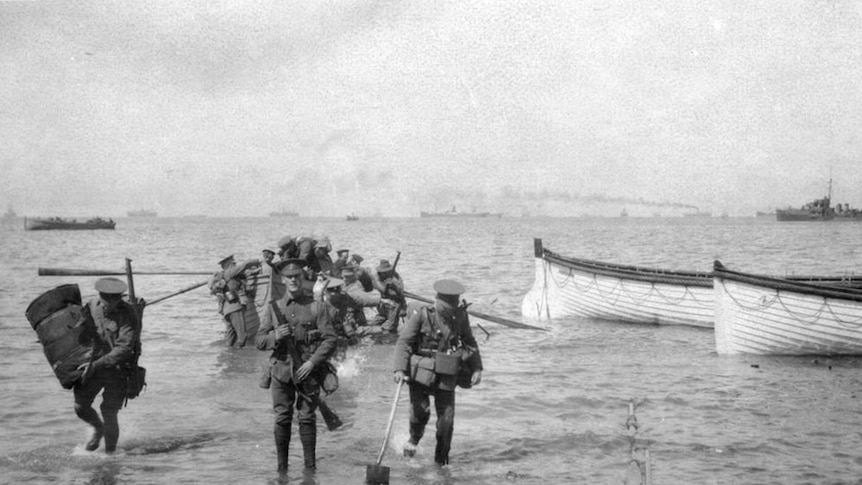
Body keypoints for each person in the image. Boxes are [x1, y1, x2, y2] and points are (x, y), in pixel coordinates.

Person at [256, 258, 338, 474]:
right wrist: (275, 335)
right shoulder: (274, 308)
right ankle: (281, 470)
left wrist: (312, 363)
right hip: (281, 373)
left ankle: (310, 470)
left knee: (307, 419)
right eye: (289, 277)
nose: (293, 280)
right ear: (282, 280)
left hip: (308, 373)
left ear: (303, 279)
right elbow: (259, 341)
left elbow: (330, 339)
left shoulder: (316, 307)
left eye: (297, 277)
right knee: (282, 418)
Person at [392, 279, 483, 466]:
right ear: (438, 300)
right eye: (448, 305)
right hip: (421, 373)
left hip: (447, 373)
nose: (451, 309)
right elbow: (404, 342)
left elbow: (469, 341)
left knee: (447, 422)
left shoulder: (461, 317)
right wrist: (400, 369)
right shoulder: (423, 315)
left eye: (455, 304)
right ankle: (413, 441)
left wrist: (477, 367)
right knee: (419, 415)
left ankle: (441, 462)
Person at [74, 277, 142, 454]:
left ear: (120, 297)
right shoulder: (90, 307)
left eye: (116, 299)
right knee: (80, 407)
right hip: (95, 366)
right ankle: (98, 428)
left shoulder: (128, 314)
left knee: (109, 412)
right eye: (107, 299)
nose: (111, 303)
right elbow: (80, 335)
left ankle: (110, 455)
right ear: (100, 296)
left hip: (118, 370)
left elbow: (124, 349)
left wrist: (95, 365)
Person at [208, 255, 260, 348]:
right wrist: (257, 261)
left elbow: (245, 274)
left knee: (231, 336)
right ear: (228, 264)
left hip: (226, 310)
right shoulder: (230, 272)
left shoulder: (225, 274)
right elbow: (244, 265)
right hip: (235, 308)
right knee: (242, 336)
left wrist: (255, 271)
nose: (235, 264)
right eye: (233, 263)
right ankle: (240, 359)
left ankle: (229, 356)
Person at [371, 259, 405, 333]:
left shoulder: (395, 277)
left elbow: (400, 292)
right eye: (383, 272)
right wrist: (388, 287)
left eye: (386, 271)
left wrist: (393, 286)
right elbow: (382, 289)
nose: (385, 274)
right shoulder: (376, 277)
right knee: (378, 322)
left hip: (393, 304)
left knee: (391, 326)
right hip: (382, 303)